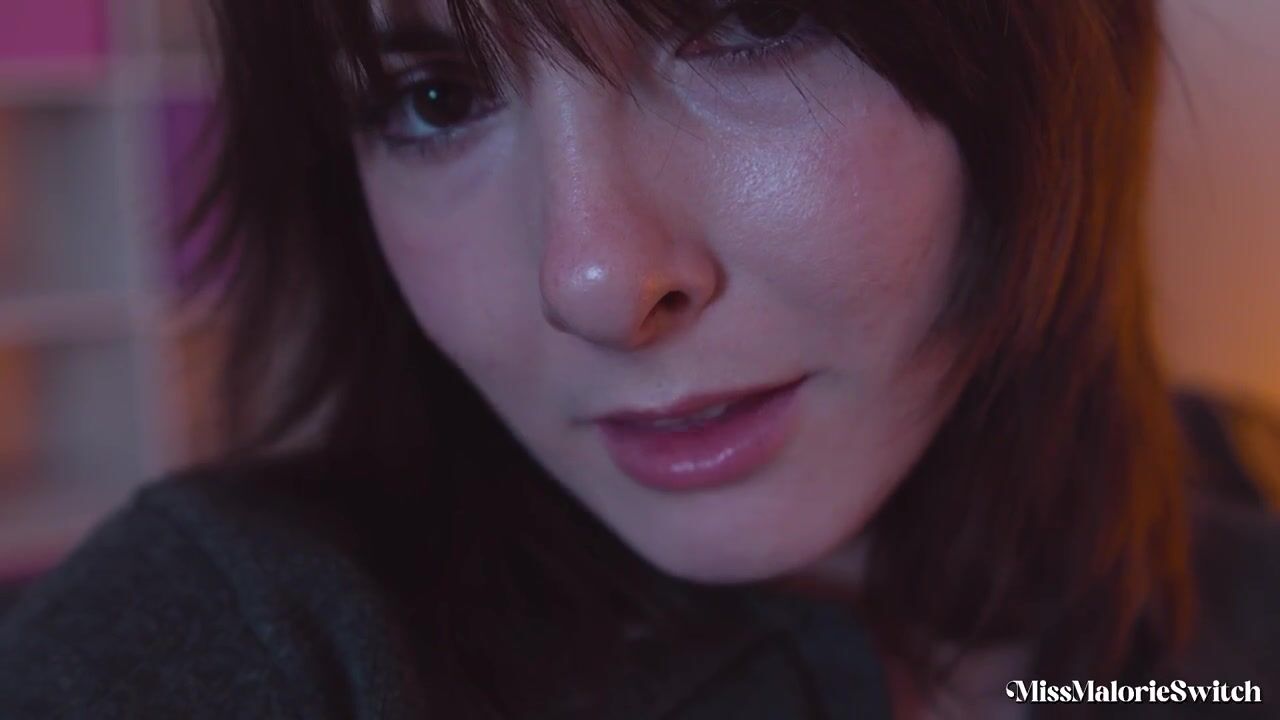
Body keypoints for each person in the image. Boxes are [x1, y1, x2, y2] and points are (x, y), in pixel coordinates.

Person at [1, 0, 1278, 717]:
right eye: (433, 97)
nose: (594, 281)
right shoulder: (246, 640)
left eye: (751, 21)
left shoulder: (1242, 585)